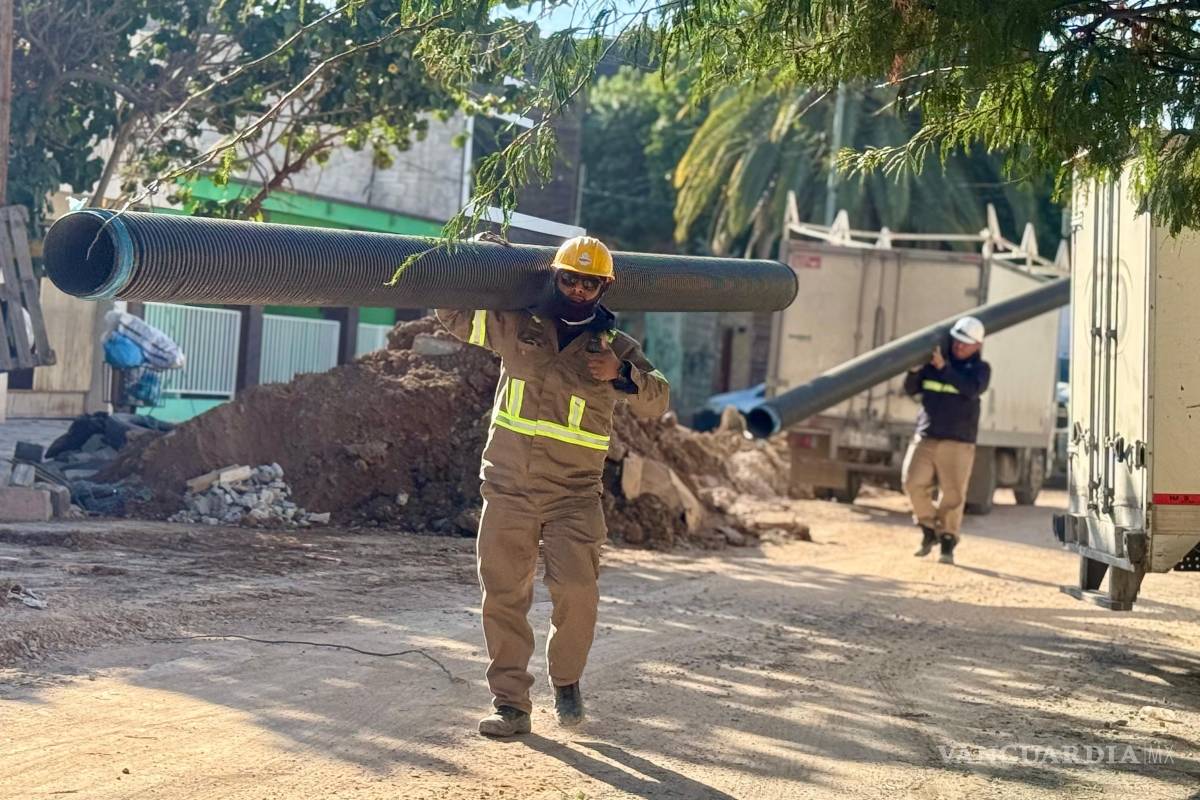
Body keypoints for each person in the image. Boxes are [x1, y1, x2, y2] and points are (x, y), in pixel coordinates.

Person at [437, 234, 670, 737]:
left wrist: (622, 374)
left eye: (591, 282)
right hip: (509, 486)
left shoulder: (614, 348)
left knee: (577, 591)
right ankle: (511, 705)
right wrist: (473, 259)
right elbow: (453, 314)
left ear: (605, 287)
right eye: (570, 278)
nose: (579, 289)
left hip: (574, 495)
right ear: (555, 277)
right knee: (503, 594)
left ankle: (566, 681)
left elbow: (658, 400)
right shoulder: (517, 326)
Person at [902, 316, 991, 565]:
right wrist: (912, 371)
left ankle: (948, 542)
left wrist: (944, 369)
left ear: (978, 345)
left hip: (958, 441)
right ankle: (929, 529)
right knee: (912, 482)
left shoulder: (980, 370)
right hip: (927, 434)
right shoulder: (934, 364)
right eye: (957, 341)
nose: (959, 347)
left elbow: (971, 389)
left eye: (965, 344)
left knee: (953, 495)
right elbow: (911, 389)